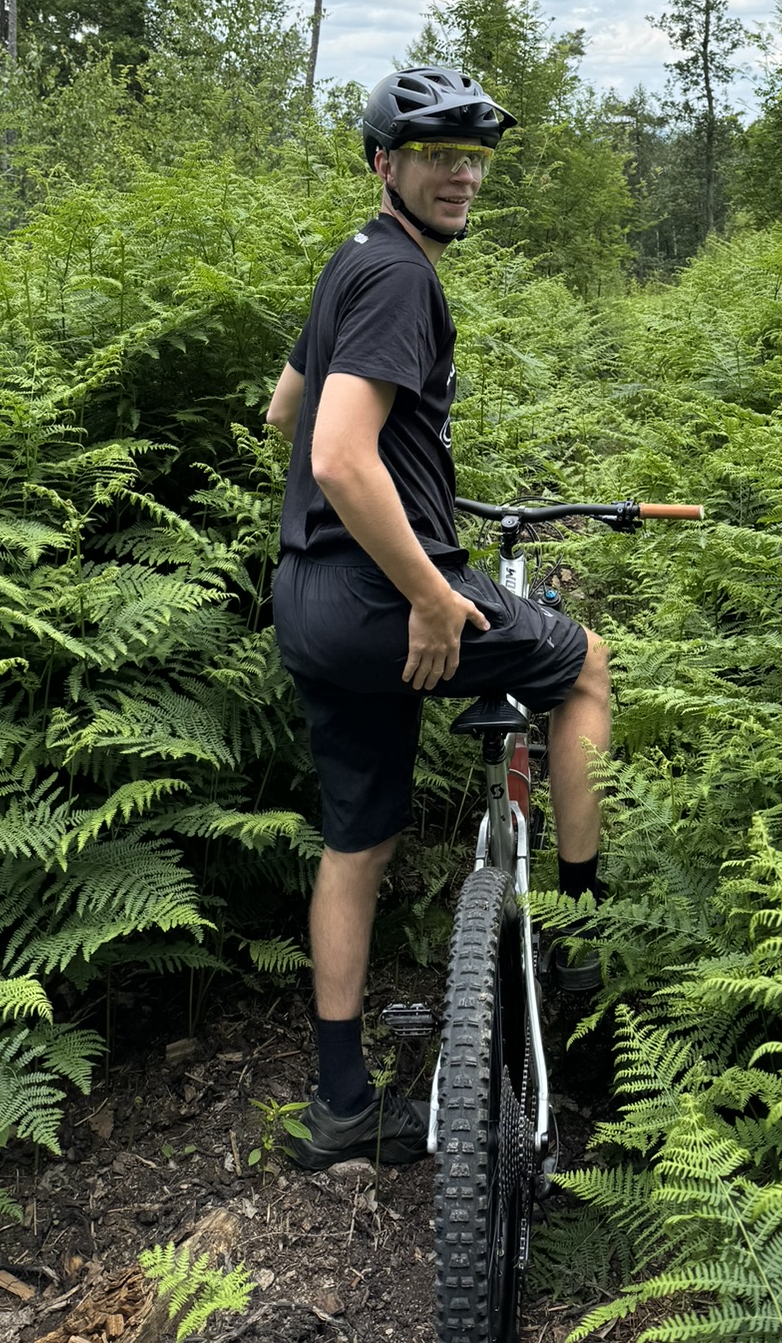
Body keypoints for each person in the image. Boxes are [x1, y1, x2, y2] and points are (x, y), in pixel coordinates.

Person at [264, 65, 612, 1170]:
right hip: (379, 598)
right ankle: (582, 950)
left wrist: (387, 492)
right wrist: (423, 584)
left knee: (356, 836)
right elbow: (332, 449)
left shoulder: (348, 264)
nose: (461, 174)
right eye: (436, 154)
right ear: (385, 163)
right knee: (586, 665)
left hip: (308, 600)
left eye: (474, 156)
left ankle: (340, 1106)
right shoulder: (405, 280)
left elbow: (284, 410)